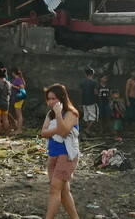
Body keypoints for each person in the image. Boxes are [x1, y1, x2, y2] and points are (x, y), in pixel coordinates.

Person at [40, 84, 80, 219]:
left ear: (62, 98)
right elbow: (43, 133)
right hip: (53, 154)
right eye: (49, 99)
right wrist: (55, 128)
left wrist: (58, 114)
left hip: (67, 155)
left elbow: (63, 132)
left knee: (54, 189)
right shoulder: (49, 114)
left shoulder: (71, 113)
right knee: (62, 191)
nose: (51, 102)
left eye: (54, 99)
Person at [79, 67, 98, 136]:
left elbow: (80, 93)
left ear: (85, 74)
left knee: (86, 116)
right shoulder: (94, 82)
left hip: (84, 101)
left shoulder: (82, 83)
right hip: (91, 101)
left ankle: (88, 130)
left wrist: (80, 103)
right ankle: (87, 129)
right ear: (92, 74)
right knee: (93, 117)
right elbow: (95, 92)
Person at [10, 67, 26, 134]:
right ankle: (18, 129)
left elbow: (22, 88)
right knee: (18, 114)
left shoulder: (18, 79)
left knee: (19, 114)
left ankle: (19, 130)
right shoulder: (18, 79)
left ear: (13, 73)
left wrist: (12, 86)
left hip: (19, 98)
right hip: (17, 98)